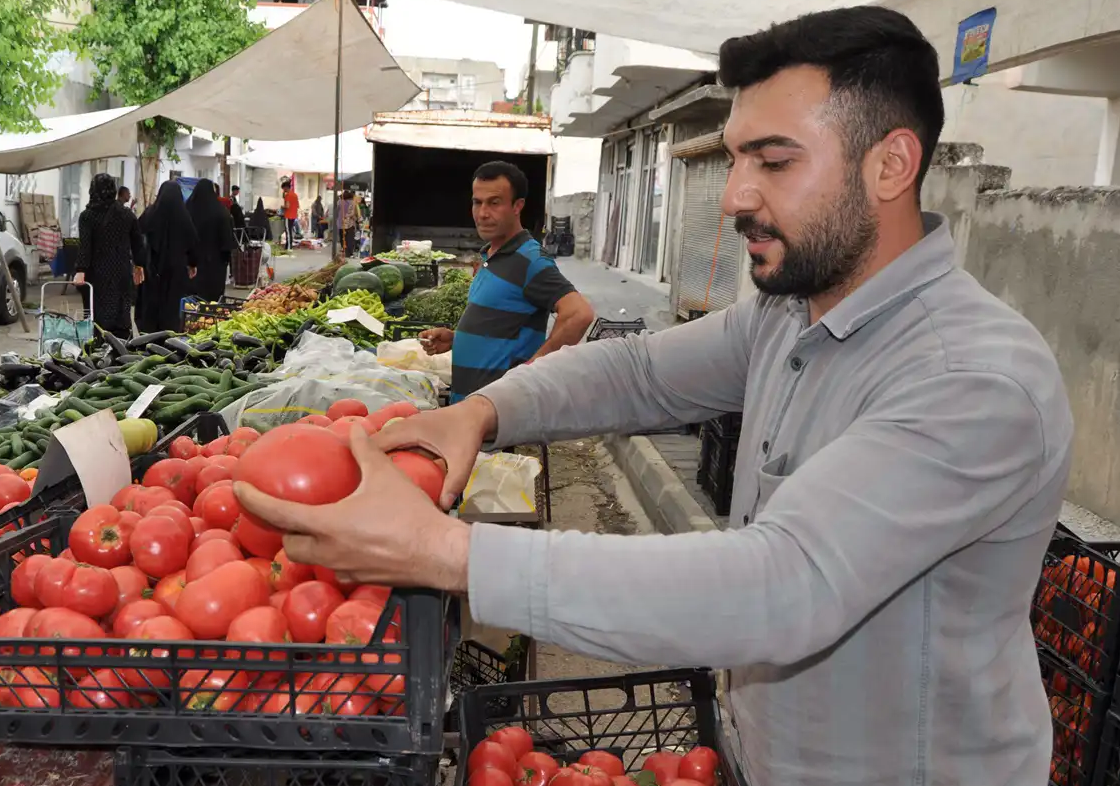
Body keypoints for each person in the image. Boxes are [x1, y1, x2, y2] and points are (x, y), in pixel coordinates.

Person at [232, 8, 1072, 786]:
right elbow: (637, 372)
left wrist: (451, 556)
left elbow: (782, 585)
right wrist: (480, 412)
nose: (737, 194)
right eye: (736, 155)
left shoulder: (972, 377)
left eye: (773, 161)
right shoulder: (788, 313)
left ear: (891, 164)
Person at [418, 162, 594, 402]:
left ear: (517, 206)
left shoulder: (530, 260)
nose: (482, 213)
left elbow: (578, 314)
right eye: (477, 202)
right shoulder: (490, 255)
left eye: (494, 202)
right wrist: (457, 338)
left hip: (500, 412)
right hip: (471, 409)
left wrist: (533, 371)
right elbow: (504, 324)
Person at [74, 174, 144, 340]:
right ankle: (121, 351)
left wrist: (81, 269)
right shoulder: (127, 215)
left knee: (96, 314)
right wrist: (139, 265)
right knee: (121, 313)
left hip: (97, 273)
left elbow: (85, 245)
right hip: (121, 271)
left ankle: (98, 349)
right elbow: (138, 243)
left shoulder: (87, 216)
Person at [137, 181, 198, 332]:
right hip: (175, 270)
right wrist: (192, 264)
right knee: (171, 304)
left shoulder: (150, 212)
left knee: (151, 302)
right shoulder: (184, 216)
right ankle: (170, 334)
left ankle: (149, 334)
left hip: (152, 268)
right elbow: (192, 241)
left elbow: (137, 232)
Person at [186, 179, 236, 302]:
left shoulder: (187, 210)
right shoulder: (221, 212)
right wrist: (226, 260)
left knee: (192, 298)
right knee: (213, 297)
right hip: (215, 262)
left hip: (191, 262)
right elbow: (227, 240)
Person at [281, 180, 301, 249]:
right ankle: (288, 245)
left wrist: (282, 206)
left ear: (286, 187)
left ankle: (289, 247)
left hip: (288, 215)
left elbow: (287, 206)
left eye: (283, 188)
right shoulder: (295, 195)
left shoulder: (288, 195)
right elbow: (298, 206)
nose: (283, 190)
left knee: (288, 231)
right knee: (290, 231)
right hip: (294, 216)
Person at [338, 190, 358, 257]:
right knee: (350, 238)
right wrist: (357, 219)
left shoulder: (339, 202)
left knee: (343, 238)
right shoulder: (352, 203)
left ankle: (344, 250)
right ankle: (349, 253)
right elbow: (353, 214)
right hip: (350, 224)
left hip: (341, 223)